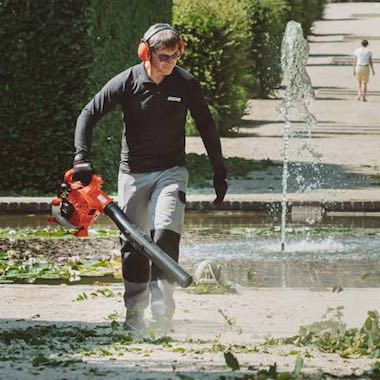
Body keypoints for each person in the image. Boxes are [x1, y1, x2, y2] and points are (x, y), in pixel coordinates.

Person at [72, 24, 228, 331]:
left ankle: (161, 312)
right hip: (133, 174)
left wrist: (219, 170)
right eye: (163, 56)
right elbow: (88, 113)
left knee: (165, 235)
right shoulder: (127, 81)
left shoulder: (185, 83)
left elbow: (207, 125)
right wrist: (81, 158)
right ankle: (134, 311)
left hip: (172, 172)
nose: (170, 62)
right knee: (133, 243)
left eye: (176, 55)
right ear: (147, 52)